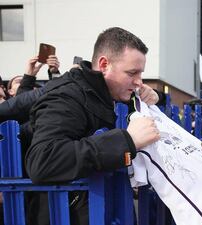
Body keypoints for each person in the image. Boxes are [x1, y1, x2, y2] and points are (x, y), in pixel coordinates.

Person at [24, 27, 161, 225]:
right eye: (132, 73)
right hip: (64, 215)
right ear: (104, 64)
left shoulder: (103, 91)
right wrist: (126, 141)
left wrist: (158, 96)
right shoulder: (66, 97)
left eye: (141, 73)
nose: (139, 82)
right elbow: (43, 160)